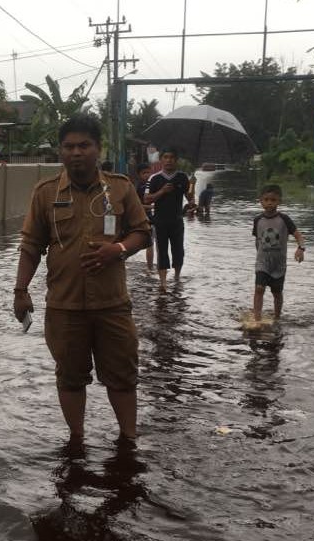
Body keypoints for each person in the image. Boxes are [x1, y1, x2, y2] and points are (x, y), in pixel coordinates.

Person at [13, 114, 151, 443]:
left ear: (98, 149)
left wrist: (117, 249)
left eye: (84, 145)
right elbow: (31, 246)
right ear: (60, 151)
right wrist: (20, 290)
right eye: (69, 146)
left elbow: (143, 233)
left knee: (123, 376)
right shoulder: (45, 193)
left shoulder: (120, 188)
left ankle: (128, 440)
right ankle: (76, 441)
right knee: (70, 377)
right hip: (65, 306)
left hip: (112, 304)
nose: (76, 152)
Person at [252, 184, 305, 322]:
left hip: (278, 265)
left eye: (273, 200)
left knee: (276, 293)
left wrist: (301, 248)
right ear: (261, 201)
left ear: (279, 201)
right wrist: (259, 256)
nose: (269, 203)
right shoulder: (257, 220)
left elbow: (298, 235)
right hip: (262, 263)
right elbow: (257, 240)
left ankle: (277, 317)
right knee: (259, 289)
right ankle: (257, 320)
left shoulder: (284, 219)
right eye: (266, 199)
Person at [143, 147, 194, 290]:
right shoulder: (154, 178)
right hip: (160, 221)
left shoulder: (182, 177)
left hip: (177, 220)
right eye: (165, 157)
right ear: (161, 160)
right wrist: (162, 191)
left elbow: (190, 199)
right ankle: (163, 282)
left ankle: (177, 278)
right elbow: (146, 199)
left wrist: (192, 186)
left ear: (176, 160)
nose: (168, 160)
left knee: (178, 250)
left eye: (171, 157)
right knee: (162, 251)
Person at [135, 162, 157, 271]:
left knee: (158, 244)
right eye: (144, 173)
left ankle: (156, 267)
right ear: (139, 175)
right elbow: (137, 206)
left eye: (149, 172)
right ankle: (150, 268)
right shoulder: (139, 188)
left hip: (156, 218)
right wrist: (152, 207)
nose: (147, 175)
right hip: (146, 219)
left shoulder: (154, 184)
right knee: (150, 244)